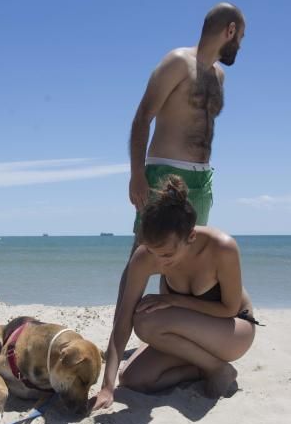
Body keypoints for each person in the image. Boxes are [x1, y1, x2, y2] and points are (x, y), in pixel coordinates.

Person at [93, 176, 257, 411]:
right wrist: (107, 387)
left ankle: (217, 367)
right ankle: (203, 368)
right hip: (189, 333)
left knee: (146, 321)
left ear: (190, 237)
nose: (158, 261)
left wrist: (172, 299)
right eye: (152, 251)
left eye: (167, 255)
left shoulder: (222, 247)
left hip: (233, 330)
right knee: (132, 379)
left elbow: (229, 308)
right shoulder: (146, 256)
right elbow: (122, 320)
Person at [128, 2, 245, 240]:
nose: (240, 45)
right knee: (144, 254)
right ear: (230, 31)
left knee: (181, 264)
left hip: (202, 179)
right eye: (240, 37)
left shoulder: (219, 76)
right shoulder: (178, 62)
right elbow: (142, 117)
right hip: (165, 175)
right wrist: (137, 175)